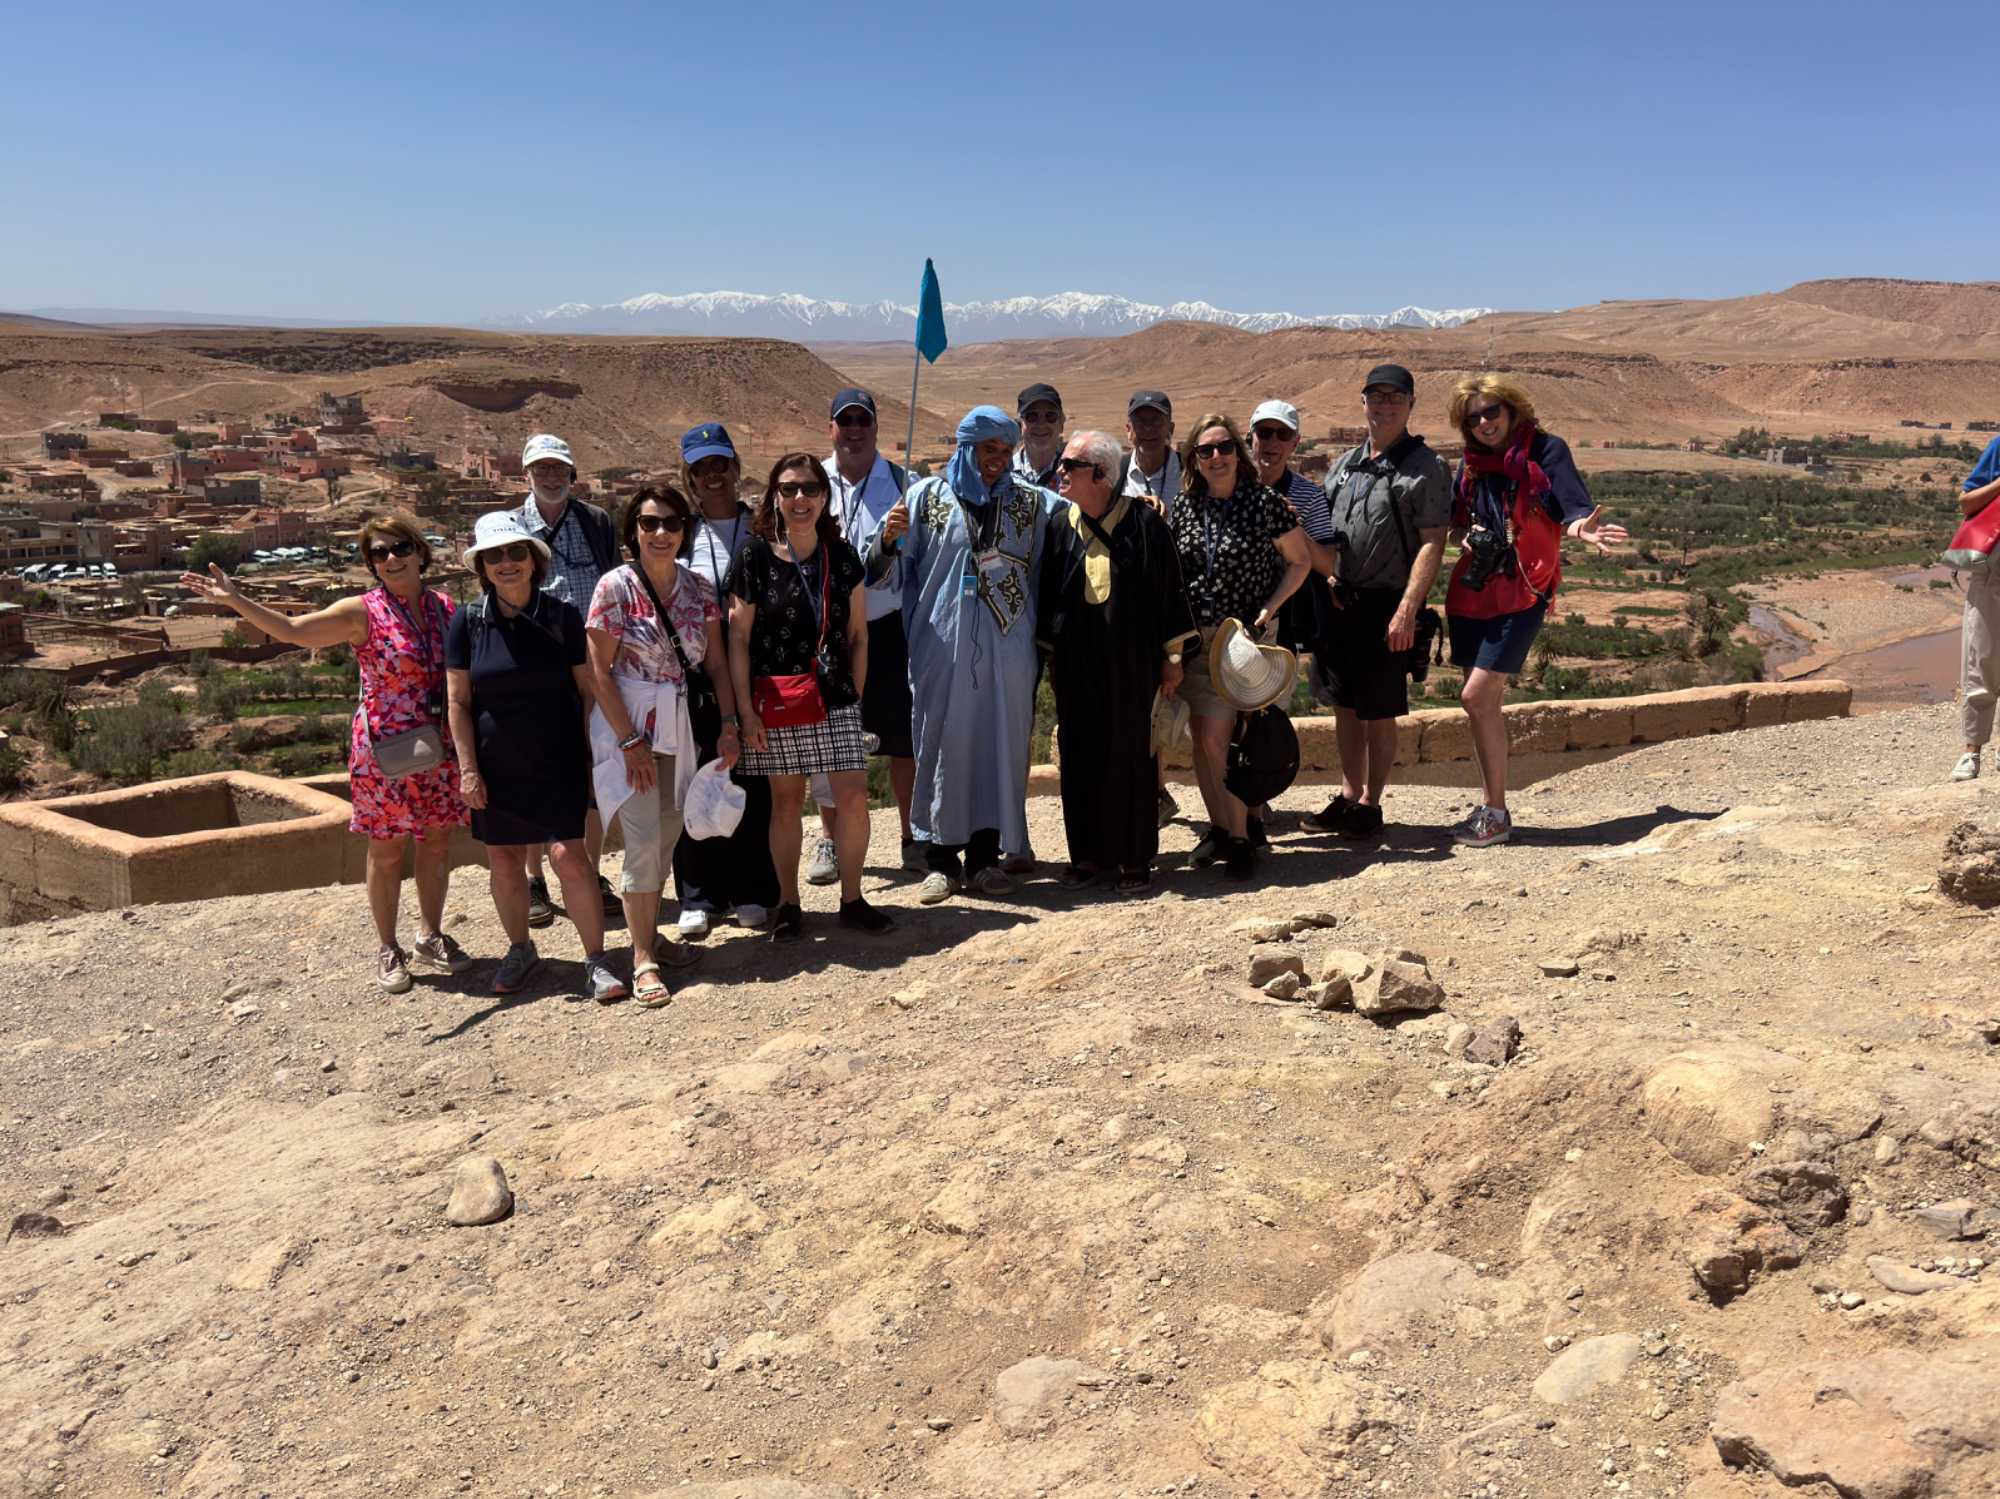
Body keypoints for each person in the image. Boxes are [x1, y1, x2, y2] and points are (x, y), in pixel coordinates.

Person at [179, 509, 472, 994]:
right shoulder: (361, 612)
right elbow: (293, 630)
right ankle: (388, 946)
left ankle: (430, 935)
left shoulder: (444, 607)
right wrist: (236, 600)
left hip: (438, 746)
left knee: (437, 841)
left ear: (420, 551)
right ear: (371, 564)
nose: (392, 558)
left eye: (400, 547)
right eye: (379, 553)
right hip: (386, 750)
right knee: (386, 849)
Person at [868, 406, 1061, 903]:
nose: (997, 459)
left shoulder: (1029, 502)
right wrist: (887, 540)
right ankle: (939, 862)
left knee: (999, 745)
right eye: (987, 449)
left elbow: (1079, 518)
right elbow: (881, 567)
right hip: (942, 646)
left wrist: (1138, 504)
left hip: (1009, 649)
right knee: (942, 744)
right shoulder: (924, 498)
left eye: (1005, 450)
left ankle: (984, 860)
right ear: (965, 448)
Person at [445, 511, 623, 1001]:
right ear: (482, 567)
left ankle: (596, 959)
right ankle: (520, 949)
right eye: (495, 556)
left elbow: (586, 689)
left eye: (516, 552)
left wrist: (592, 756)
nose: (507, 562)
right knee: (503, 860)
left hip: (557, 759)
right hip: (495, 765)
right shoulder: (468, 621)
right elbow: (458, 702)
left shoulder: (562, 616)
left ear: (533, 560)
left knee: (570, 857)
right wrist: (468, 770)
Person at [1444, 376, 1627, 846]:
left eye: (1491, 411)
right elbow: (1455, 522)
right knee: (1483, 706)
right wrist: (1466, 536)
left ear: (1511, 409)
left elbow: (1571, 507)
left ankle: (1496, 812)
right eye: (1473, 417)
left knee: (1475, 697)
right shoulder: (1471, 463)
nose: (1484, 423)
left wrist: (1581, 529)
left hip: (1525, 588)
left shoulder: (1545, 450)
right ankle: (1492, 809)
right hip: (1473, 591)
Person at [586, 486, 742, 1006]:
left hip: (678, 725)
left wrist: (728, 724)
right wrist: (629, 741)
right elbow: (599, 672)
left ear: (684, 531)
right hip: (627, 725)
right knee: (643, 839)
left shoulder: (698, 587)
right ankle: (642, 959)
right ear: (633, 529)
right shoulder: (615, 587)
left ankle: (649, 935)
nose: (660, 532)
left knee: (670, 831)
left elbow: (715, 662)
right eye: (649, 523)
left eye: (671, 523)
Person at [728, 453, 892, 938]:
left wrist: (853, 698)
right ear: (774, 497)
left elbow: (859, 635)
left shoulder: (841, 557)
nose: (800, 498)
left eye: (810, 489)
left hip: (834, 697)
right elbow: (737, 638)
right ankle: (789, 904)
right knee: (785, 803)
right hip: (776, 699)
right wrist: (745, 712)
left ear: (824, 497)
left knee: (854, 798)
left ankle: (852, 899)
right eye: (789, 489)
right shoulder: (754, 556)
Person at [1037, 430, 1195, 891]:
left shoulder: (1144, 524)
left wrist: (1172, 658)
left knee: (1130, 755)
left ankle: (1133, 859)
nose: (1061, 472)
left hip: (1132, 663)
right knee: (1079, 754)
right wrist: (1051, 658)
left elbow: (1169, 595)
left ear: (1101, 474)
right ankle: (1089, 857)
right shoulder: (1059, 526)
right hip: (1076, 665)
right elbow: (1048, 598)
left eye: (1071, 465)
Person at [1310, 364, 1452, 841]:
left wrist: (1408, 609)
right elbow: (1324, 529)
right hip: (1339, 600)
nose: (1385, 405)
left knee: (1379, 709)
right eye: (1377, 396)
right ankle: (1349, 794)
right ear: (1363, 402)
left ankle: (1371, 803)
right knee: (1344, 706)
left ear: (1411, 404)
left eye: (1395, 397)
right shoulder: (1344, 464)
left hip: (1388, 604)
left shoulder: (1426, 466)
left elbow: (1433, 542)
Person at [1166, 413, 1312, 878]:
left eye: (1225, 447)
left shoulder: (1265, 503)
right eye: (1206, 450)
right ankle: (1227, 831)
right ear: (1193, 459)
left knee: (1236, 741)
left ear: (1238, 453)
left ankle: (1240, 835)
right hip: (1199, 643)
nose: (1217, 456)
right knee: (1207, 738)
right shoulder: (1184, 507)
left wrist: (1269, 609)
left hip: (1247, 641)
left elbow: (1300, 562)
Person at [672, 421, 780, 935]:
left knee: (752, 781)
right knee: (697, 780)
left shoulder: (761, 528)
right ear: (689, 477)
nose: (713, 476)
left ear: (736, 468)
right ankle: (699, 894)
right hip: (694, 678)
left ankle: (752, 890)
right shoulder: (680, 534)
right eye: (701, 469)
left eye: (721, 465)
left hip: (754, 674)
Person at [514, 432, 622, 927]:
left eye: (559, 468)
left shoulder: (594, 521)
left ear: (572, 474)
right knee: (538, 769)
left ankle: (591, 872)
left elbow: (616, 581)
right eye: (542, 468)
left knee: (594, 769)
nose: (551, 476)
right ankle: (534, 877)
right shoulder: (513, 527)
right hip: (537, 665)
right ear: (527, 474)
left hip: (594, 663)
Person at [815, 388, 921, 880]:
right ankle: (830, 841)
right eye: (846, 421)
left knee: (902, 739)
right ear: (831, 428)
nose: (854, 430)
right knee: (829, 738)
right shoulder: (812, 482)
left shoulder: (904, 484)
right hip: (830, 632)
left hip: (889, 628)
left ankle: (912, 835)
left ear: (876, 427)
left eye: (863, 420)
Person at [1246, 399, 1335, 842]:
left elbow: (1327, 562)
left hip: (1284, 618)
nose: (1272, 443)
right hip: (1232, 614)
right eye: (1264, 433)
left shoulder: (1308, 495)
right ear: (1250, 438)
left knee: (1267, 711)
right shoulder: (1230, 486)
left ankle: (1253, 803)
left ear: (1295, 443)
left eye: (1282, 434)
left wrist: (1290, 528)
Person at [1121, 389, 1183, 829]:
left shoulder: (1190, 472)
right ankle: (1157, 792)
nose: (1148, 429)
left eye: (1156, 420)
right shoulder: (1113, 474)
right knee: (1148, 703)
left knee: (1207, 703)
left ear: (1170, 428)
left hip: (1187, 600)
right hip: (1136, 608)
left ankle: (1241, 796)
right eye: (1140, 421)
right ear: (1128, 429)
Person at [1952, 434, 2000, 780]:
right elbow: (1967, 503)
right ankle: (1972, 751)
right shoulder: (1999, 447)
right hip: (1991, 576)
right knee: (1980, 660)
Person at [1011, 383, 1066, 491]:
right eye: (1032, 416)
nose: (1041, 424)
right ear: (1020, 425)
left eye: (1050, 416)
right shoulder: (1004, 472)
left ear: (1061, 424)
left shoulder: (1073, 474)